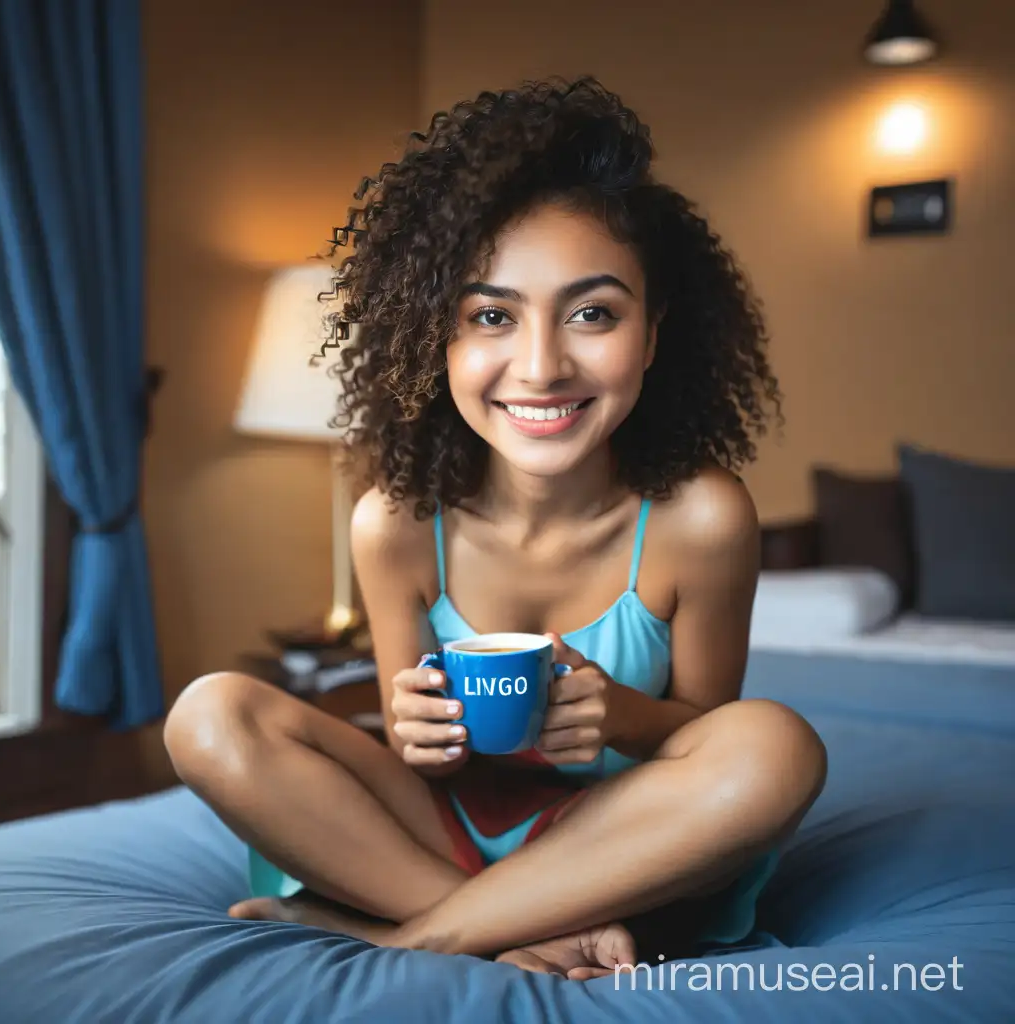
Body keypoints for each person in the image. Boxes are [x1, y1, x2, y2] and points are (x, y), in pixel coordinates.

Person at [164, 76, 827, 980]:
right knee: (211, 713)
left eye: (593, 313)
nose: (543, 365)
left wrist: (619, 713)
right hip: (434, 838)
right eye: (491, 316)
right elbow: (418, 762)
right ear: (435, 340)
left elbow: (708, 737)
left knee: (777, 744)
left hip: (614, 851)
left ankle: (409, 938)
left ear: (655, 333)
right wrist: (416, 729)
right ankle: (507, 933)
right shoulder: (394, 524)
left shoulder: (702, 518)